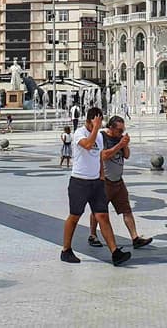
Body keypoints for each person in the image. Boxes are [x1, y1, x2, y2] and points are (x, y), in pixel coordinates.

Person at [60, 107, 130, 266]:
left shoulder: (98, 135)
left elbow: (99, 156)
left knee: (103, 216)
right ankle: (66, 250)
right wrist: (96, 128)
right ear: (90, 120)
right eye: (97, 122)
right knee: (75, 215)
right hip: (79, 181)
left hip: (96, 183)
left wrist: (101, 176)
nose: (99, 125)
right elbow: (87, 145)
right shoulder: (79, 133)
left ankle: (115, 252)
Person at [87, 116, 153, 251]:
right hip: (104, 181)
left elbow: (127, 156)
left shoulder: (120, 138)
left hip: (118, 181)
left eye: (123, 130)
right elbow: (103, 155)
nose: (121, 133)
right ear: (111, 128)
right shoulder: (101, 137)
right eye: (119, 130)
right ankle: (93, 235)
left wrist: (126, 144)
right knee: (98, 210)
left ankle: (135, 238)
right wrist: (120, 145)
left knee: (127, 210)